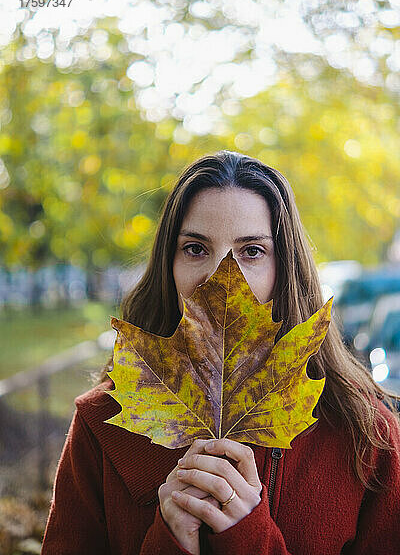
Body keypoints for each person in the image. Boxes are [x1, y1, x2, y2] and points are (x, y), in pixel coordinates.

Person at [41, 151, 400, 555]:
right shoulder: (102, 423)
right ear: (168, 264)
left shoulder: (363, 434)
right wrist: (168, 540)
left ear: (286, 269)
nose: (221, 276)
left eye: (251, 251)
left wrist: (247, 537)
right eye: (195, 248)